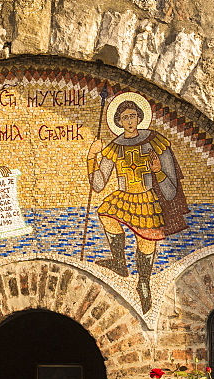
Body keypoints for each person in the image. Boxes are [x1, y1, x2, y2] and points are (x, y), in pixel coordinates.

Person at [87, 93, 189, 313]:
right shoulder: (114, 147)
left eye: (133, 116)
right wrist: (90, 158)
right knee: (106, 214)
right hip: (124, 197)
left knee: (146, 241)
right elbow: (98, 184)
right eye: (125, 118)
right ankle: (119, 262)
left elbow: (171, 189)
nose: (130, 121)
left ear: (140, 117)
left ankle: (144, 282)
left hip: (147, 197)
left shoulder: (155, 141)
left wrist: (158, 171)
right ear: (119, 122)